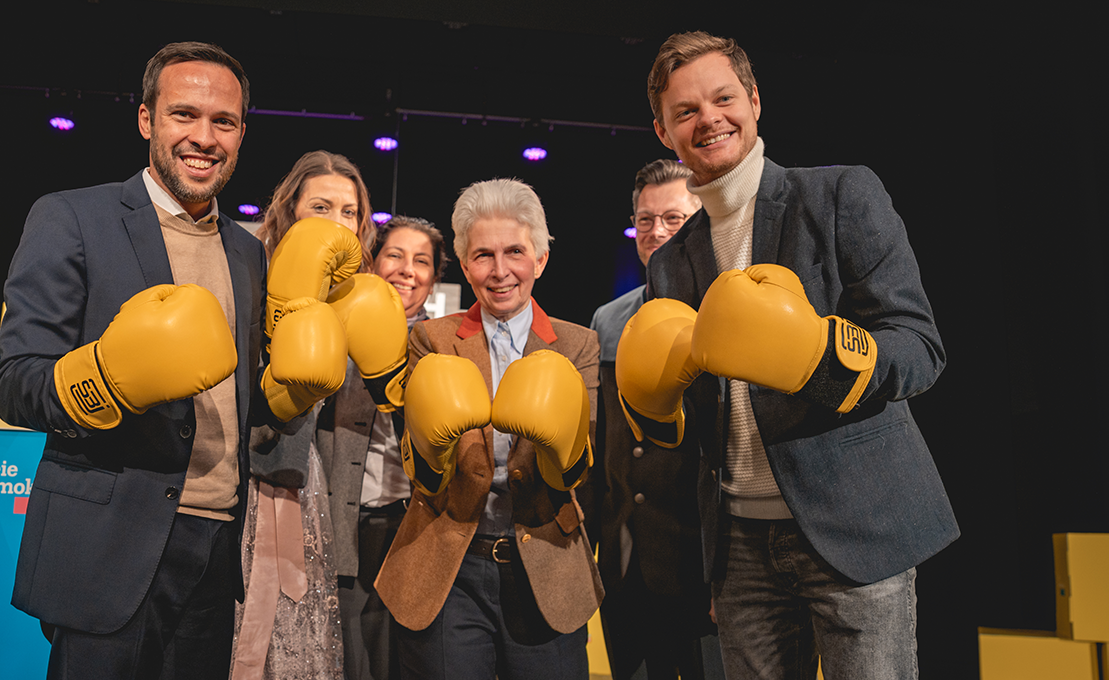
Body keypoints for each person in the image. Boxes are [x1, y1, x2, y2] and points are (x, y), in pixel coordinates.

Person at [618, 31, 959, 679]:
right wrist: (655, 407)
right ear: (663, 131)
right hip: (739, 544)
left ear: (753, 99)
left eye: (722, 99)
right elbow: (688, 424)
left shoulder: (838, 197)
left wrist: (822, 354)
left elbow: (920, 348)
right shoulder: (671, 263)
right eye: (685, 112)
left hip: (851, 523)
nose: (708, 119)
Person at [0, 42, 264, 679]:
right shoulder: (72, 218)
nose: (203, 138)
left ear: (242, 133)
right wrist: (105, 382)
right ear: (147, 120)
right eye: (183, 115)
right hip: (109, 544)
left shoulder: (247, 253)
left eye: (223, 122)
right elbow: (14, 382)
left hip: (217, 546)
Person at [376, 178, 603, 680]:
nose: (500, 271)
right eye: (482, 255)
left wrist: (556, 442)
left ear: (540, 260)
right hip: (448, 564)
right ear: (463, 262)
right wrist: (433, 450)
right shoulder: (431, 338)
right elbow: (422, 468)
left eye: (515, 252)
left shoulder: (577, 344)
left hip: (545, 560)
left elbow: (578, 469)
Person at [230, 149, 378, 680]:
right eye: (321, 206)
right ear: (289, 210)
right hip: (234, 483)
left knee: (297, 642)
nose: (337, 223)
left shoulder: (355, 297)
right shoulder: (247, 270)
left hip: (301, 485)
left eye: (348, 212)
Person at [587, 159, 724, 680]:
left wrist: (724, 572)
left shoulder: (726, 313)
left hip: (701, 567)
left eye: (673, 218)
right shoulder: (609, 318)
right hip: (625, 564)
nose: (657, 232)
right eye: (646, 220)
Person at [315, 215, 448, 680]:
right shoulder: (335, 327)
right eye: (395, 255)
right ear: (372, 263)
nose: (407, 270)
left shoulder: (445, 344)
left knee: (406, 661)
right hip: (343, 521)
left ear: (435, 276)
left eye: (422, 261)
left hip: (414, 525)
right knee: (349, 658)